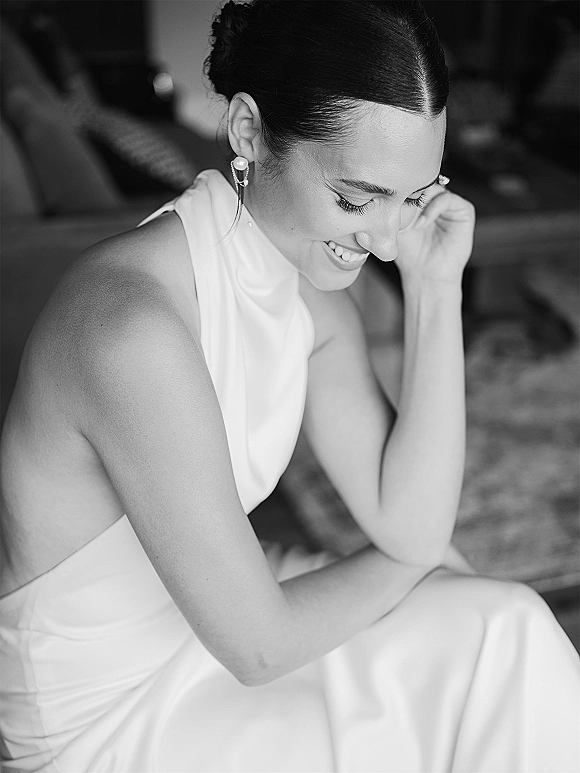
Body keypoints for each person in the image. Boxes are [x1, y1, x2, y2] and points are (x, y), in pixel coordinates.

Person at [0, 1, 578, 770]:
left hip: (218, 611)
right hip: (115, 704)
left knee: (505, 627)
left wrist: (435, 287)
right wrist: (416, 563)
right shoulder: (130, 329)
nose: (382, 237)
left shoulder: (303, 289)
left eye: (410, 194)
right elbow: (263, 645)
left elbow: (407, 520)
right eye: (355, 197)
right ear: (249, 132)